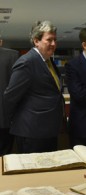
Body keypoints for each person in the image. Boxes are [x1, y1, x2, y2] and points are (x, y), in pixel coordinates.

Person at [4, 21, 65, 153]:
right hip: (32, 131)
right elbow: (10, 97)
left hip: (48, 129)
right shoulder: (27, 62)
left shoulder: (48, 61)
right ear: (36, 41)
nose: (54, 44)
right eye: (49, 40)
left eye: (55, 39)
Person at [0, 36, 19, 156]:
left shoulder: (12, 56)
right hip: (6, 117)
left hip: (7, 118)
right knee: (5, 156)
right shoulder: (13, 56)